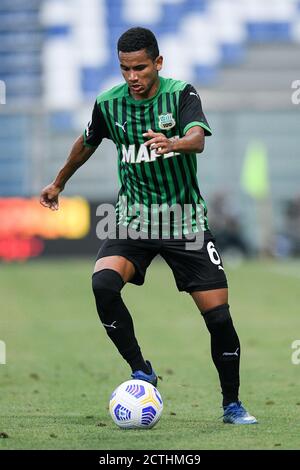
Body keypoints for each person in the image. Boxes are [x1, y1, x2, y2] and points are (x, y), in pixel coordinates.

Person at [40, 27, 257, 424]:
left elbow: (197, 138)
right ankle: (141, 369)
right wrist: (59, 182)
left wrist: (172, 143)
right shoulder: (109, 103)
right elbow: (87, 141)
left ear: (158, 62)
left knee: (219, 317)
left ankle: (232, 404)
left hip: (184, 220)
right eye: (125, 69)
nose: (132, 77)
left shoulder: (182, 94)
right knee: (103, 284)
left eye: (140, 67)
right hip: (133, 220)